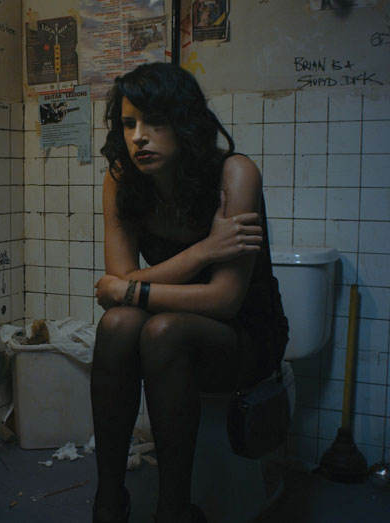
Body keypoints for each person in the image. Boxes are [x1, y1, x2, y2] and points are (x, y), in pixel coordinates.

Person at [91, 62, 288, 523]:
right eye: (129, 124)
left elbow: (224, 299)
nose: (139, 137)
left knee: (161, 330)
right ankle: (108, 502)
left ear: (185, 122)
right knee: (117, 324)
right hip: (171, 329)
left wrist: (131, 290)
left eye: (155, 121)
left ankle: (173, 510)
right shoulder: (121, 179)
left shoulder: (235, 175)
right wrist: (203, 251)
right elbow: (119, 286)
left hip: (242, 335)